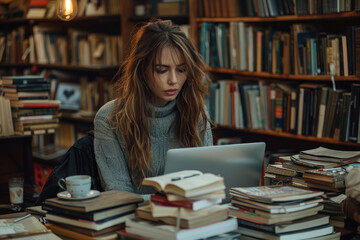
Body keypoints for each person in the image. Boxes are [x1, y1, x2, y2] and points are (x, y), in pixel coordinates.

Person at [94, 19, 213, 196]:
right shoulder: (110, 118)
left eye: (181, 70)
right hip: (135, 217)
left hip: (189, 214)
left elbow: (207, 181)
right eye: (162, 70)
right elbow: (118, 192)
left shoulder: (196, 111)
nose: (173, 80)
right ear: (141, 69)